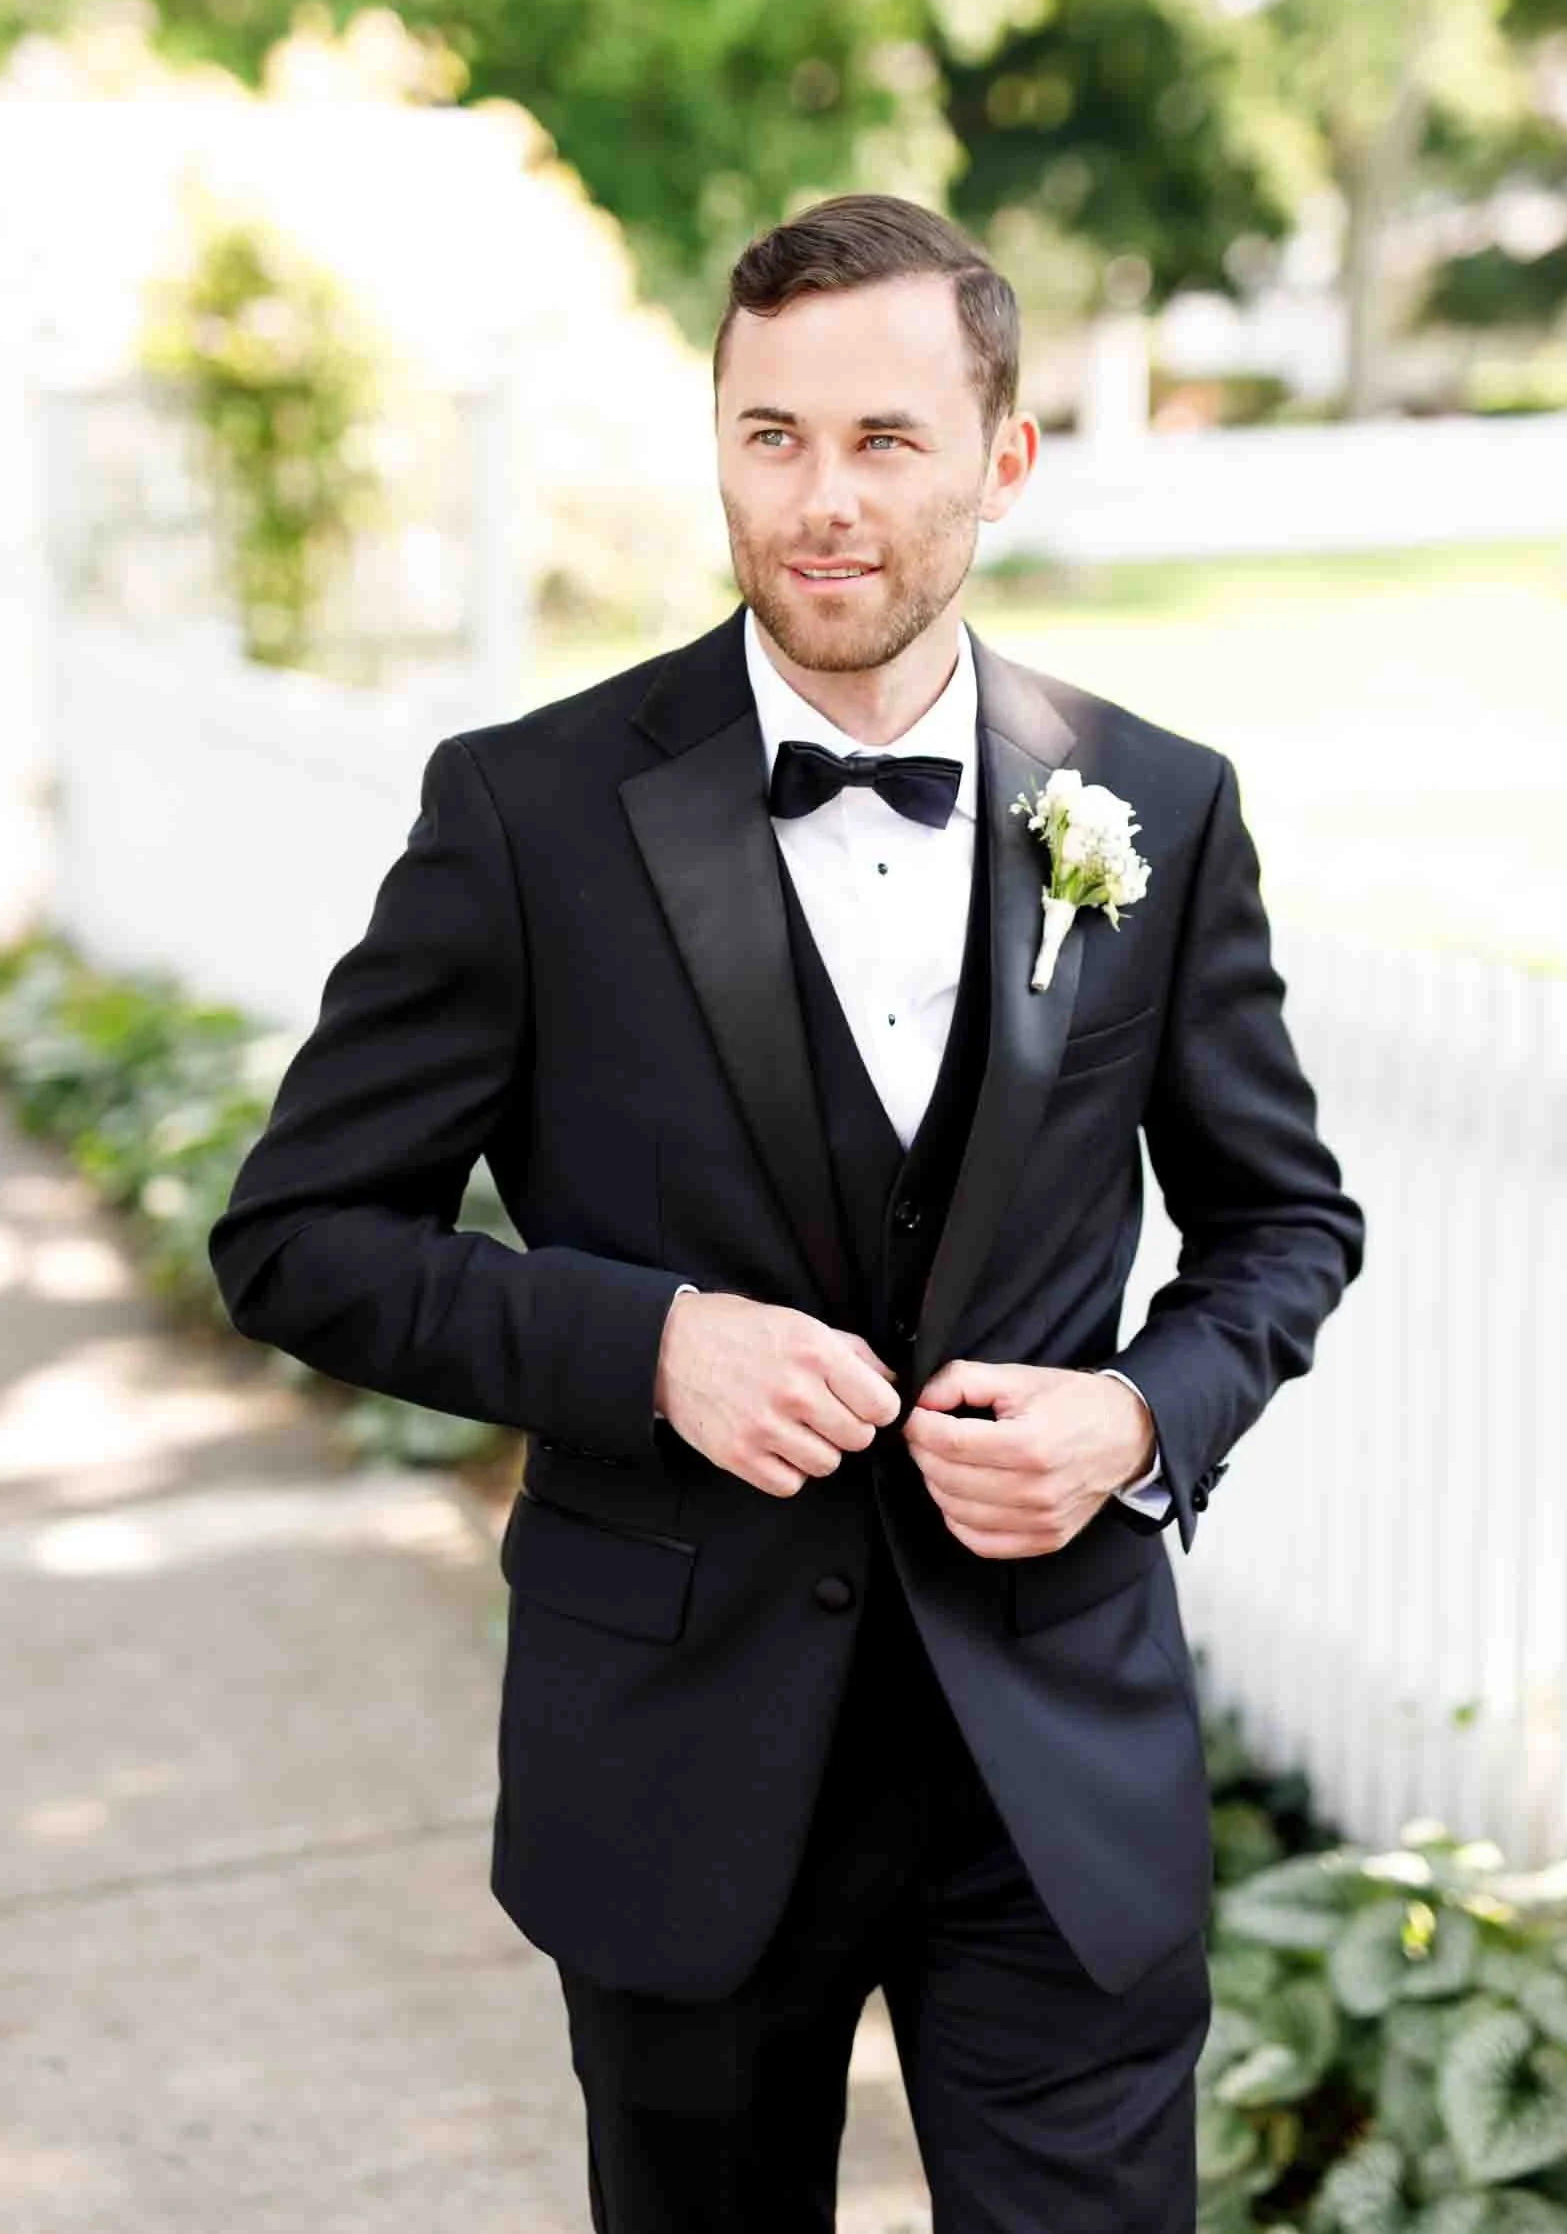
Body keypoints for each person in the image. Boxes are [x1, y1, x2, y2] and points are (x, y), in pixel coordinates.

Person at [209, 193, 1364, 2232]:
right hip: (679, 1753)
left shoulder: (1155, 805)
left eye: (884, 439)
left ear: (1003, 459)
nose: (820, 501)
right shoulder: (528, 814)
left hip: (1051, 1765)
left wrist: (1136, 1416)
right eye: (771, 436)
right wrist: (645, 1344)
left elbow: (1282, 1222)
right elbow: (296, 1236)